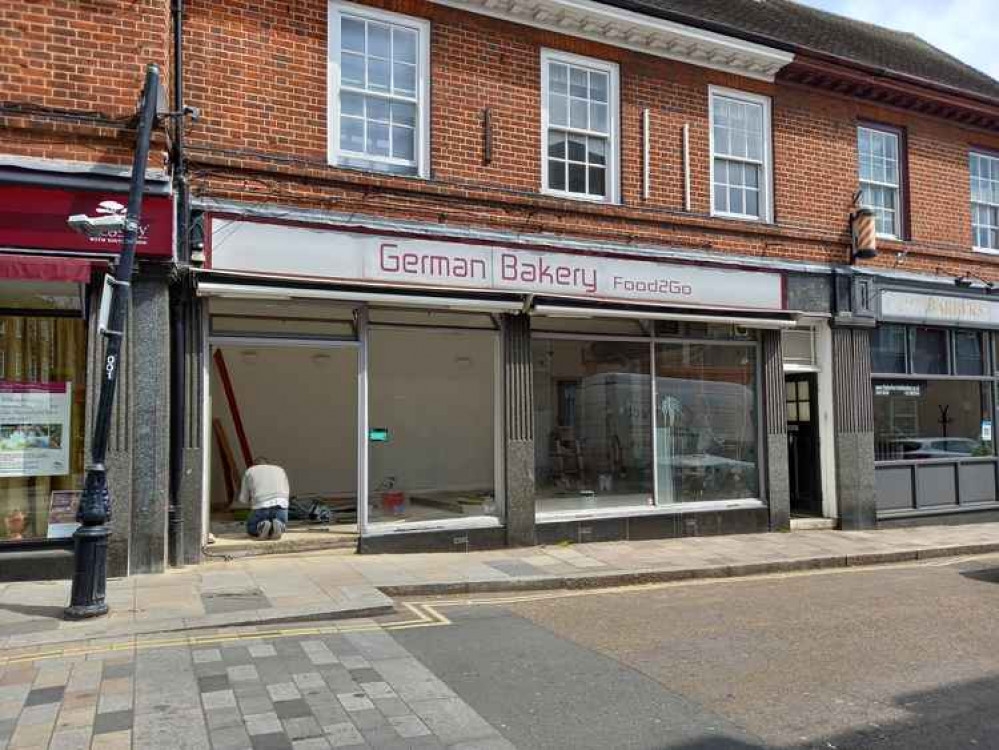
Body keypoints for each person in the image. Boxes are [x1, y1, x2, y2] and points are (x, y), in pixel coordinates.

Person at [237, 457, 290, 540]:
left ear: (254, 466)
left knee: (251, 527)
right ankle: (279, 524)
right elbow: (286, 492)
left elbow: (244, 499)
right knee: (280, 521)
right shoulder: (280, 469)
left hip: (261, 506)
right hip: (281, 505)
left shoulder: (250, 471)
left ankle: (262, 525)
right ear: (267, 464)